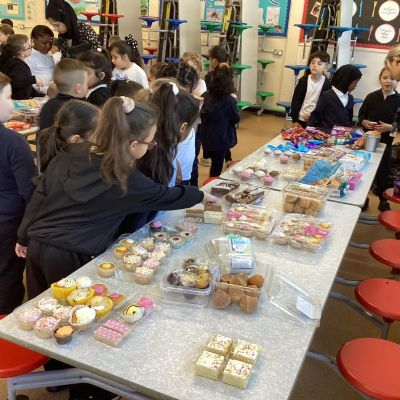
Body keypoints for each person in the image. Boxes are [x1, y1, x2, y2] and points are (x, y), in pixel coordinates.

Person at [16, 96, 215, 298]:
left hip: (36, 245)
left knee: (38, 306)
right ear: (133, 145)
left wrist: (23, 237)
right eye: (150, 142)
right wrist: (200, 195)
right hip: (71, 254)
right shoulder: (124, 177)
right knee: (68, 307)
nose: (152, 146)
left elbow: (38, 198)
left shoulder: (71, 152)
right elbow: (166, 196)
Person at [0, 72, 36, 314]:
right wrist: (27, 232)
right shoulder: (13, 142)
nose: (12, 104)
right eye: (8, 97)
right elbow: (29, 191)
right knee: (7, 276)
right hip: (7, 223)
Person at [359, 67, 400, 211]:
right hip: (368, 142)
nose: (388, 81)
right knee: (365, 171)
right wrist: (364, 122)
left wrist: (391, 127)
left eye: (392, 78)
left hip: (386, 143)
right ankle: (363, 198)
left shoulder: (398, 100)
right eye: (385, 78)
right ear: (380, 79)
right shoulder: (371, 97)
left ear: (397, 80)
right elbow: (361, 115)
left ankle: (383, 200)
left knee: (383, 172)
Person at [198, 64, 240, 177]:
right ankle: (212, 184)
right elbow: (236, 118)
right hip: (221, 139)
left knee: (213, 159)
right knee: (216, 168)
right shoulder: (229, 100)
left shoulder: (205, 96)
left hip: (207, 137)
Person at [39, 99, 99, 173]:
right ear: (76, 140)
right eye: (98, 133)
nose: (101, 138)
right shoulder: (80, 171)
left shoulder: (56, 161)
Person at [307, 64, 362, 132]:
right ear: (346, 80)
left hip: (343, 136)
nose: (356, 85)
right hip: (326, 135)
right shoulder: (326, 96)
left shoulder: (350, 98)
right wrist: (308, 130)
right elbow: (315, 115)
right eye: (355, 82)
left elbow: (349, 119)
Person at [39, 58, 89, 130]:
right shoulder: (81, 109)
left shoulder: (48, 105)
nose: (88, 87)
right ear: (78, 89)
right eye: (86, 84)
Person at [291, 52, 331, 128]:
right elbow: (295, 101)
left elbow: (325, 105)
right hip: (300, 119)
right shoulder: (303, 81)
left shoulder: (327, 84)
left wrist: (314, 116)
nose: (315, 65)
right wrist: (295, 120)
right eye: (312, 63)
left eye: (319, 64)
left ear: (326, 67)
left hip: (316, 121)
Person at [0, 34, 43, 99]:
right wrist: (34, 79)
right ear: (22, 53)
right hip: (18, 100)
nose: (31, 46)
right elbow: (15, 82)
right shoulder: (17, 65)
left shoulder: (18, 62)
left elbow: (27, 86)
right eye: (29, 47)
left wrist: (39, 95)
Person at [25, 25, 55, 94]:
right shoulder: (29, 56)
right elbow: (29, 80)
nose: (48, 46)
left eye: (50, 43)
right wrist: (47, 90)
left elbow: (52, 72)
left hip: (51, 91)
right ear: (33, 40)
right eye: (44, 43)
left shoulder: (50, 54)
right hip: (37, 94)